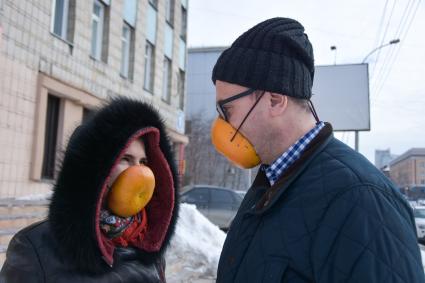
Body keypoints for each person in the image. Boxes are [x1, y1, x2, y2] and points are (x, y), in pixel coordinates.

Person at [210, 17, 425, 282]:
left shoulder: (361, 199)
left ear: (275, 101)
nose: (221, 124)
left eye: (226, 109)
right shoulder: (270, 183)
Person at [0, 97, 179, 282]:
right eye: (125, 159)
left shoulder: (148, 244)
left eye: (144, 162)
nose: (140, 170)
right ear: (94, 169)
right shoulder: (35, 248)